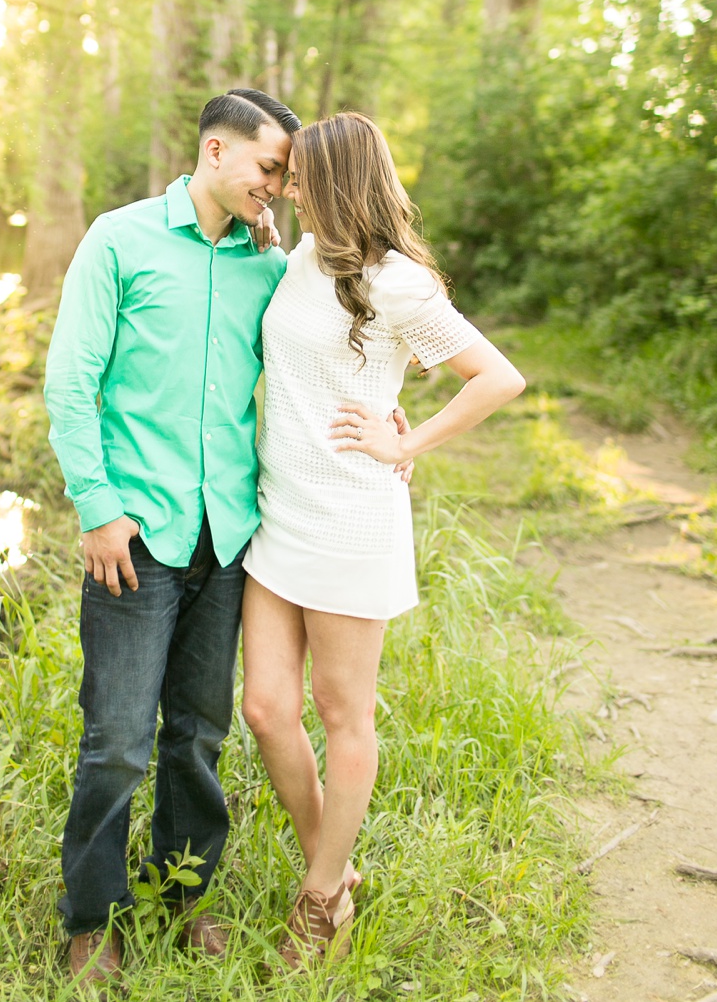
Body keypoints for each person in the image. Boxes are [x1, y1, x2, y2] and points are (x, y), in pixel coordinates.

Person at [241, 111, 525, 969]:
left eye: (296, 175)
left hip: (352, 518)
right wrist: (260, 231)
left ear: (332, 181)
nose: (284, 185)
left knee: (341, 713)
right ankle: (338, 862)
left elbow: (498, 377)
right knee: (264, 709)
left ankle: (321, 897)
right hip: (279, 510)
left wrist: (407, 440)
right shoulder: (299, 255)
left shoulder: (398, 282)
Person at [43, 86, 300, 993]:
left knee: (198, 733)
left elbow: (314, 367)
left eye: (286, 175)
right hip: (136, 534)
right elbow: (71, 381)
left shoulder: (269, 269)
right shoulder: (119, 240)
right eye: (270, 168)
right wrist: (96, 505)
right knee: (116, 737)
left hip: (228, 537)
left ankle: (185, 893)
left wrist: (384, 421)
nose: (278, 187)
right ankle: (92, 917)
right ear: (218, 150)